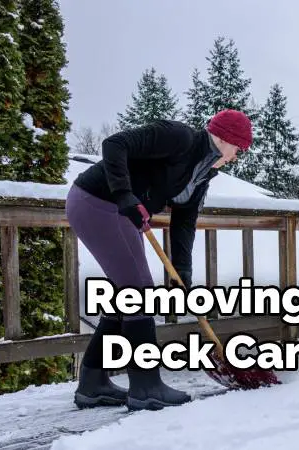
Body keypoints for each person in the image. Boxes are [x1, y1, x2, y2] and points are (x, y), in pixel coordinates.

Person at [65, 109, 253, 411]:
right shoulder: (179, 138)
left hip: (121, 214)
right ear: (223, 138)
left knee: (124, 295)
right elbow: (114, 144)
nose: (236, 156)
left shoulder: (202, 175)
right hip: (100, 202)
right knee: (138, 292)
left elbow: (183, 223)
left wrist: (183, 271)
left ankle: (93, 383)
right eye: (238, 148)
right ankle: (146, 387)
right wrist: (125, 194)